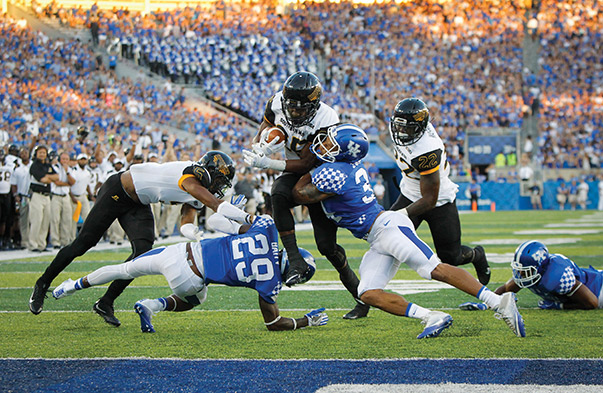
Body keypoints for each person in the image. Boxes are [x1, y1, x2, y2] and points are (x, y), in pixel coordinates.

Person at [292, 123, 525, 338]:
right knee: (367, 292)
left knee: (434, 268)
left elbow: (299, 193)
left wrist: (305, 168)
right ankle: (431, 316)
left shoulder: (337, 173)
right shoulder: (339, 169)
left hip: (388, 228)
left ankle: (498, 302)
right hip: (376, 239)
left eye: (331, 143)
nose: (324, 146)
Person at [29, 151, 248, 328]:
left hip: (139, 203)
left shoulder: (199, 190)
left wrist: (192, 232)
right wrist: (245, 219)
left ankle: (106, 302)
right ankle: (43, 283)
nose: (220, 186)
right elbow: (212, 202)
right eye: (219, 179)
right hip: (118, 190)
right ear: (208, 170)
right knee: (84, 243)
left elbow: (187, 219)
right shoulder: (190, 175)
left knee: (142, 251)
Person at [51, 214, 328, 333]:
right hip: (188, 278)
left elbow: (217, 220)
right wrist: (307, 321)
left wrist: (237, 214)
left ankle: (71, 285)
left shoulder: (266, 230)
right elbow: (273, 323)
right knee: (198, 298)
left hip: (180, 250)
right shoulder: (269, 283)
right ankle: (152, 305)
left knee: (123, 269)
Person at [243, 71, 368, 319]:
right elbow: (267, 122)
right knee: (278, 192)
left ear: (314, 105)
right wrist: (259, 143)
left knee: (327, 247)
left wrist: (268, 161)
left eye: (302, 108)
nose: (295, 112)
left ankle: (360, 297)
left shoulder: (327, 118)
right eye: (292, 106)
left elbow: (306, 163)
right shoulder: (277, 101)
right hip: (293, 170)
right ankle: (294, 259)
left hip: (320, 175)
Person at [387, 98, 491, 285]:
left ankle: (477, 255)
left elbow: (429, 200)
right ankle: (369, 293)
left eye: (406, 127)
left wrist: (400, 214)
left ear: (419, 127)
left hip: (438, 199)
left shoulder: (428, 149)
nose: (400, 131)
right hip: (410, 193)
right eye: (398, 125)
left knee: (451, 257)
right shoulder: (401, 127)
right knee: (387, 239)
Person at [460, 241, 602, 310]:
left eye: (525, 270)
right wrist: (485, 304)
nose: (521, 273)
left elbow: (592, 303)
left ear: (540, 267)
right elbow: (505, 289)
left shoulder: (558, 276)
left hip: (598, 288)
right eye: (519, 269)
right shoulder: (530, 273)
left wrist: (558, 305)